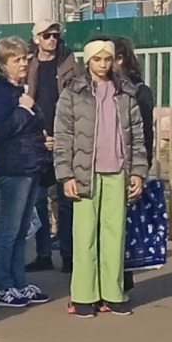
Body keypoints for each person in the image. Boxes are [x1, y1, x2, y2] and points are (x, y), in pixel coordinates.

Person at [54, 38, 147, 318]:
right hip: (85, 174)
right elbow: (63, 137)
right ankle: (83, 297)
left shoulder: (125, 93)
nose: (104, 65)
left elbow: (138, 138)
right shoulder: (73, 93)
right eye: (98, 60)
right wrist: (66, 174)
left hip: (118, 171)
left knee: (114, 235)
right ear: (88, 61)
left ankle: (113, 295)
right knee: (84, 237)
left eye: (108, 59)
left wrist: (139, 173)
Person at [0, 36, 53, 308]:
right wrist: (24, 109)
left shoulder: (18, 91)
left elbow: (31, 125)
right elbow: (1, 132)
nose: (23, 63)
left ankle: (19, 283)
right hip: (13, 168)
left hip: (30, 165)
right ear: (2, 64)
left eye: (25, 58)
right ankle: (3, 287)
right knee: (8, 231)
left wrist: (42, 139)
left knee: (22, 230)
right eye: (17, 60)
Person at [25, 20, 79, 272]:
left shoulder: (69, 62)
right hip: (37, 139)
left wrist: (64, 135)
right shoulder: (29, 63)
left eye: (56, 35)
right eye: (47, 35)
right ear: (36, 38)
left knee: (65, 201)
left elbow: (79, 100)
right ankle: (43, 254)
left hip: (64, 139)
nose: (52, 39)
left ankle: (69, 256)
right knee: (38, 200)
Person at [112, 36, 155, 295]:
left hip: (127, 164)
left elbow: (144, 135)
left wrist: (141, 169)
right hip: (108, 163)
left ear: (120, 59)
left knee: (125, 225)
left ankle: (123, 279)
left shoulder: (138, 91)